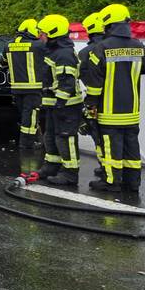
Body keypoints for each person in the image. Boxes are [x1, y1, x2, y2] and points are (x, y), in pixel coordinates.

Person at [81, 4, 145, 194]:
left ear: (107, 24)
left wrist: (90, 109)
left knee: (111, 149)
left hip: (109, 112)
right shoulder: (138, 46)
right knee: (132, 149)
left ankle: (111, 182)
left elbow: (94, 85)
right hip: (131, 112)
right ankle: (132, 184)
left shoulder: (100, 49)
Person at [36, 14, 84, 186]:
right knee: (51, 136)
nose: (39, 37)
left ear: (53, 33)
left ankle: (70, 174)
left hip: (66, 106)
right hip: (53, 104)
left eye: (42, 33)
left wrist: (60, 102)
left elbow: (67, 82)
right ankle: (52, 166)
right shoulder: (55, 52)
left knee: (65, 138)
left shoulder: (63, 54)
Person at [1, 18, 44, 149]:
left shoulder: (9, 45)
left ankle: (25, 142)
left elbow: (2, 64)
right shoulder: (38, 45)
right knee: (30, 118)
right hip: (34, 88)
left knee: (24, 115)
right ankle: (27, 144)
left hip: (16, 89)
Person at [77, 12, 108, 179]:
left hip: (94, 101)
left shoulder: (84, 53)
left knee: (97, 133)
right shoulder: (113, 47)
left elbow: (76, 75)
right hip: (118, 101)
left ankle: (105, 167)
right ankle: (118, 169)